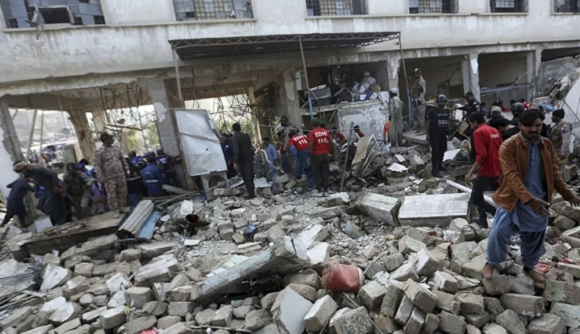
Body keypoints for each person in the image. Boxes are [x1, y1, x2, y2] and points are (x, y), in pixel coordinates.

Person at [483, 109, 580, 283]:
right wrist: (528, 200)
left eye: (538, 125)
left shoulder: (547, 145)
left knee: (535, 237)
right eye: (529, 126)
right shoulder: (509, 145)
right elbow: (511, 175)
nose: (534, 129)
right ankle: (491, 262)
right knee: (499, 231)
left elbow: (554, 173)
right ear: (520, 125)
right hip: (513, 199)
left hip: (539, 199)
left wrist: (568, 194)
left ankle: (529, 267)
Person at [465, 112, 503, 227]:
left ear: (475, 122)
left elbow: (482, 154)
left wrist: (470, 172)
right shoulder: (495, 131)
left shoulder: (478, 132)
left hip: (487, 169)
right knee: (479, 195)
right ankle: (483, 221)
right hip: (497, 167)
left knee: (475, 198)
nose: (471, 127)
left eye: (471, 124)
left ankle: (498, 215)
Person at [13, 161, 68, 226]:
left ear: (24, 168)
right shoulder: (31, 173)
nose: (21, 173)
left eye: (21, 171)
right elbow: (37, 182)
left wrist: (55, 186)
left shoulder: (37, 169)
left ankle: (61, 220)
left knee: (48, 207)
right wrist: (36, 191)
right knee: (40, 206)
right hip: (47, 189)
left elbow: (53, 174)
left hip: (52, 188)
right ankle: (56, 219)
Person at [94, 132, 130, 218]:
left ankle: (121, 206)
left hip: (120, 174)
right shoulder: (99, 152)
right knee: (112, 194)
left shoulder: (116, 149)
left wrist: (127, 170)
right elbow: (97, 165)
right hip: (109, 177)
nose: (112, 140)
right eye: (110, 138)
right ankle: (115, 209)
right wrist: (100, 177)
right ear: (105, 139)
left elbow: (122, 160)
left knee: (122, 191)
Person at [308, 118, 334, 196]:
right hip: (325, 154)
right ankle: (326, 190)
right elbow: (331, 142)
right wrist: (332, 152)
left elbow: (311, 144)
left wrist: (309, 155)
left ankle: (319, 190)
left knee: (316, 173)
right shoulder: (325, 131)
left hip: (316, 155)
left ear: (312, 124)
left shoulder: (312, 133)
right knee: (325, 172)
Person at [426, 94, 451, 178]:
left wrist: (449, 133)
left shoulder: (446, 111)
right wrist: (427, 134)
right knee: (435, 152)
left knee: (443, 150)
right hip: (434, 134)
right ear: (437, 102)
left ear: (445, 102)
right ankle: (434, 170)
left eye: (442, 102)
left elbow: (448, 122)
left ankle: (439, 165)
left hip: (443, 133)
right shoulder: (432, 111)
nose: (441, 103)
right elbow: (428, 123)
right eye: (440, 102)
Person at [232, 123, 256, 199]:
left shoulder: (235, 137)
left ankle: (251, 193)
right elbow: (251, 147)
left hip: (243, 160)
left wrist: (235, 161)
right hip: (250, 158)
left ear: (233, 129)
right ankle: (252, 191)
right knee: (251, 176)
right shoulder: (246, 135)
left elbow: (236, 150)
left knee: (246, 177)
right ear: (240, 128)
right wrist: (252, 155)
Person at [550, 109, 572, 175]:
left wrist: (563, 152)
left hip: (560, 151)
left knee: (560, 171)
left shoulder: (564, 126)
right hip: (556, 150)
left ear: (557, 116)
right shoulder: (557, 125)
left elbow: (566, 139)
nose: (552, 117)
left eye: (553, 116)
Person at [411, 68, 427, 133]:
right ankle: (420, 127)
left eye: (417, 74)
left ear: (419, 73)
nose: (415, 75)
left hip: (419, 99)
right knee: (416, 114)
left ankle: (423, 129)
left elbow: (423, 91)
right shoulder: (417, 81)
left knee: (421, 114)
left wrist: (420, 99)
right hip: (415, 98)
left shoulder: (421, 81)